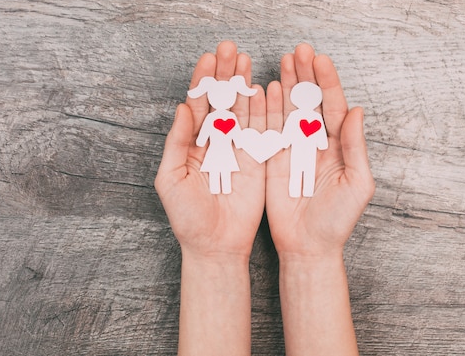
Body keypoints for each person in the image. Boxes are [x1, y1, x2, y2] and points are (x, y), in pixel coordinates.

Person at [154, 41, 375, 356]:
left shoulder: (298, 121)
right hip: (237, 157)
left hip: (298, 158)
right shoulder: (237, 120)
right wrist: (212, 256)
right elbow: (218, 136)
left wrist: (314, 256)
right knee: (222, 172)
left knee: (296, 174)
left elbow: (308, 139)